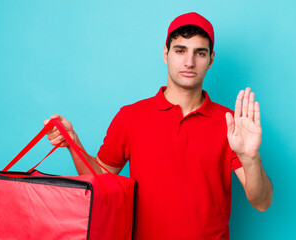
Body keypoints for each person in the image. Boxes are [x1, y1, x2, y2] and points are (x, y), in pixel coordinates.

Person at [44, 12, 273, 240]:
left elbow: (262, 202)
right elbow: (101, 181)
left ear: (211, 59)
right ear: (166, 54)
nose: (189, 62)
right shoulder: (131, 116)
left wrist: (251, 158)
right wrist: (74, 144)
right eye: (180, 50)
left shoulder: (231, 122)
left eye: (199, 53)